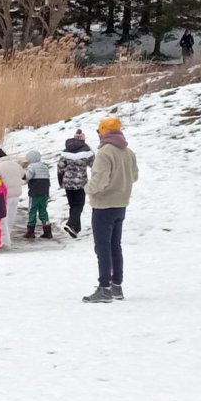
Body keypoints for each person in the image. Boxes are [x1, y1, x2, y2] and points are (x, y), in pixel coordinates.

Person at [81, 117, 139, 304]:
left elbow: (99, 180)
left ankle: (104, 288)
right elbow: (134, 176)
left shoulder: (105, 153)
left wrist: (87, 189)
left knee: (102, 247)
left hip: (103, 205)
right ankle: (116, 287)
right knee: (115, 246)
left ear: (103, 132)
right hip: (121, 204)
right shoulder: (128, 152)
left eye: (99, 132)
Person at [57, 129, 95, 238]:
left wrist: (61, 181)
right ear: (83, 140)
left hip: (67, 183)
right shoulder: (86, 151)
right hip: (80, 183)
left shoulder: (66, 151)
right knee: (79, 205)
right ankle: (70, 223)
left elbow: (60, 167)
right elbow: (95, 165)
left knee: (73, 205)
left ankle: (75, 229)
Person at [0, 148, 23, 248]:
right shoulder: (16, 164)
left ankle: (5, 243)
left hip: (4, 196)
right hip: (16, 194)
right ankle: (7, 240)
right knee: (11, 218)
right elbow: (23, 175)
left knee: (3, 221)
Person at [23, 150, 52, 239]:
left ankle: (30, 231)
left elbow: (27, 177)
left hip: (35, 192)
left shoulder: (31, 166)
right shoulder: (45, 166)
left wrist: (22, 176)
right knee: (43, 210)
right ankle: (47, 231)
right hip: (45, 192)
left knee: (32, 210)